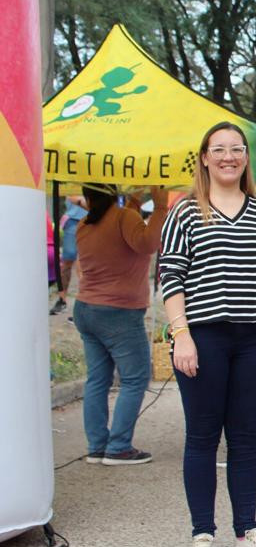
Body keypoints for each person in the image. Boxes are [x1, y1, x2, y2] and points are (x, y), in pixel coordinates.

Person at [160, 122, 256, 547]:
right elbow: (170, 276)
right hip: (202, 337)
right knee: (203, 437)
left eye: (236, 149)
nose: (228, 156)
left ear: (245, 157)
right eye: (218, 149)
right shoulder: (185, 213)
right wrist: (180, 334)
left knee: (245, 437)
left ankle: (247, 532)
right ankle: (202, 533)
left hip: (254, 338)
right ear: (204, 157)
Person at [73, 184, 168, 465]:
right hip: (119, 311)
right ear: (114, 194)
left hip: (86, 308)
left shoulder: (84, 223)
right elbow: (148, 244)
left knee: (97, 379)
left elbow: (121, 242)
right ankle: (119, 447)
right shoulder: (123, 218)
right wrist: (160, 207)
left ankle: (97, 446)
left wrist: (135, 209)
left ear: (88, 198)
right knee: (135, 378)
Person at [50, 194, 88, 315]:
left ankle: (85, 300)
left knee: (83, 263)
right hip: (72, 221)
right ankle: (62, 299)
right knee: (67, 260)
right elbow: (72, 197)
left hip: (90, 219)